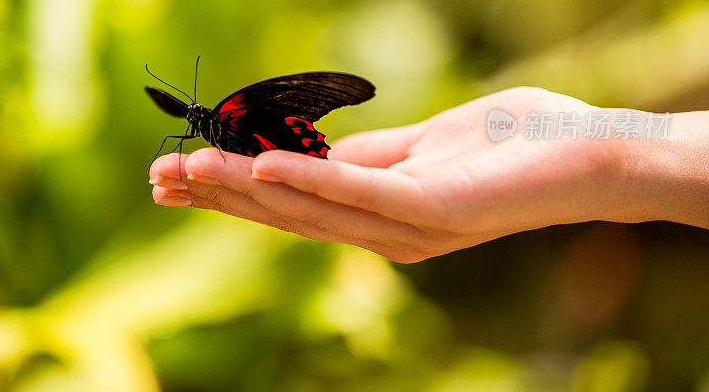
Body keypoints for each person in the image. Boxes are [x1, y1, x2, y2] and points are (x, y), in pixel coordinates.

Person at [148, 86, 709, 263]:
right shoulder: (210, 119)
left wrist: (618, 156)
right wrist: (621, 155)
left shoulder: (238, 110)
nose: (199, 122)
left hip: (274, 142)